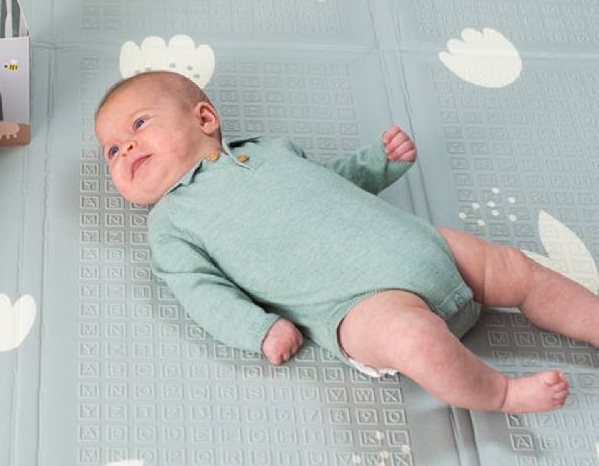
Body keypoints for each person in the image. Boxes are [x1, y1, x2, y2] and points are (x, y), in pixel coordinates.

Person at [94, 71, 599, 413]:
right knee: (416, 340)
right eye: (112, 150)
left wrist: (377, 164)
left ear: (204, 119)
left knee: (514, 266)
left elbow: (330, 185)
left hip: (418, 245)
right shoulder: (171, 223)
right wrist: (257, 330)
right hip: (358, 305)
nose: (126, 147)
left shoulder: (268, 149)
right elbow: (201, 292)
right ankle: (501, 393)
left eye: (138, 124)